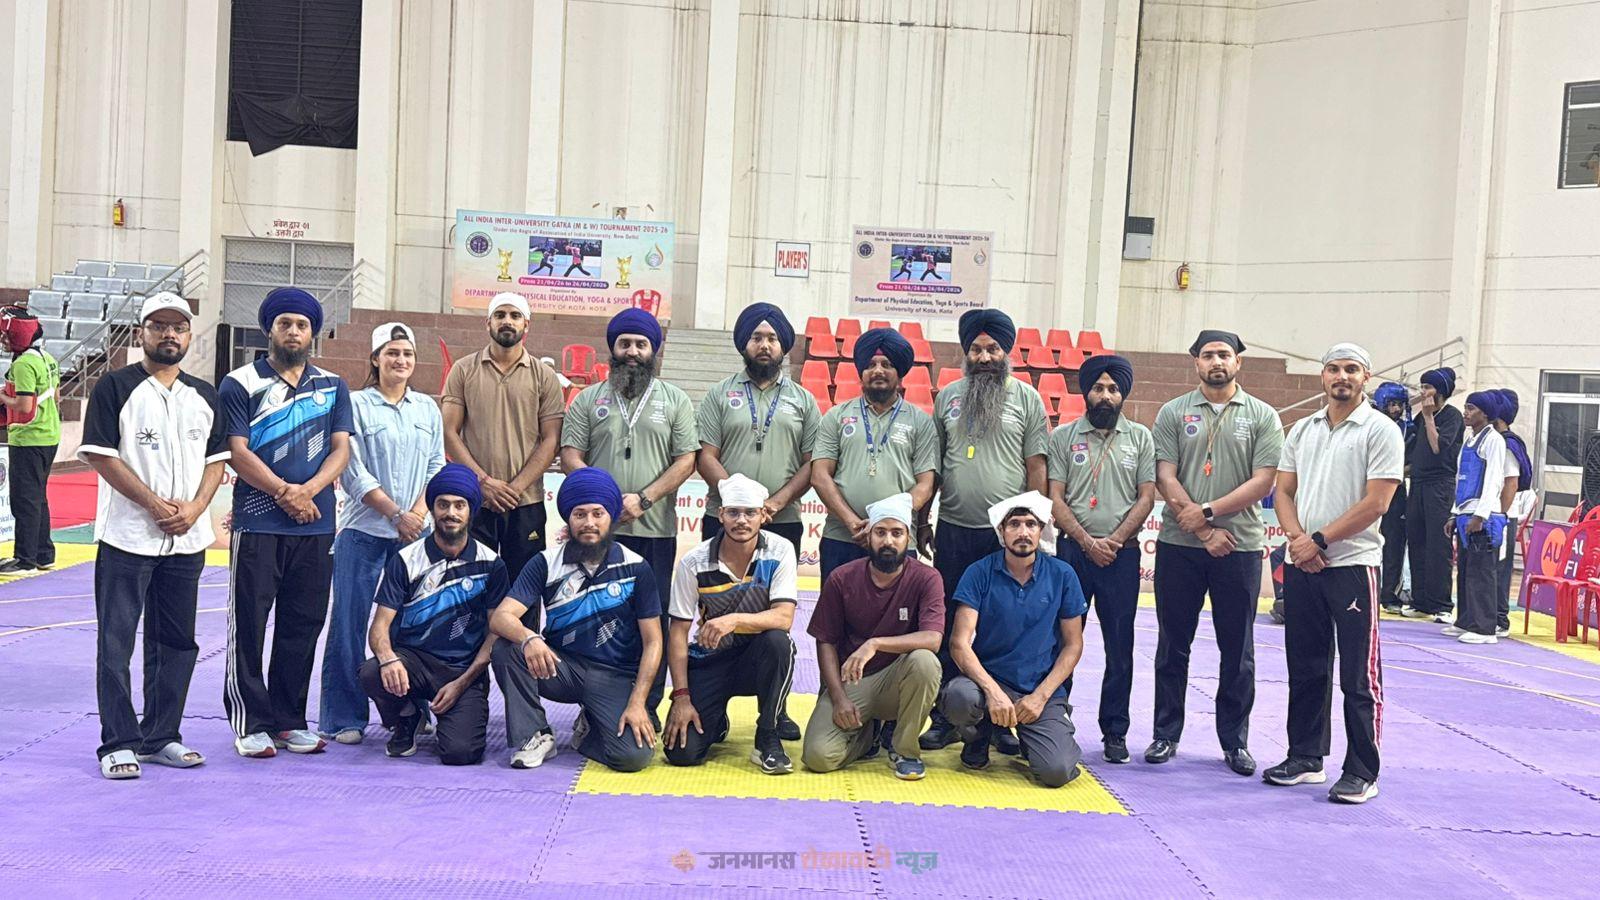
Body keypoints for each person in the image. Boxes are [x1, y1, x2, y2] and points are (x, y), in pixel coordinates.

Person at [77, 293, 228, 779]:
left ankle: (161, 735)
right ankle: (118, 741)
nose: (169, 334)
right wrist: (154, 505)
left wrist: (196, 508)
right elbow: (101, 454)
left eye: (177, 327)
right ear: (142, 332)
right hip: (128, 538)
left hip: (186, 540)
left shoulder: (203, 394)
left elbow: (216, 461)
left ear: (189, 335)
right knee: (116, 641)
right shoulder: (116, 387)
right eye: (159, 326)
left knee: (177, 643)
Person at [1265, 343, 1402, 805]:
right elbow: (1283, 491)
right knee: (1305, 667)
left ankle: (1362, 770)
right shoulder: (1303, 429)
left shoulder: (1380, 430)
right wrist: (1297, 539)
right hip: (1303, 564)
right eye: (1333, 369)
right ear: (1322, 376)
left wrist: (1318, 541)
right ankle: (1305, 757)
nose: (1341, 376)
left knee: (1359, 676)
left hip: (1352, 565)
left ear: (1366, 377)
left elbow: (1377, 502)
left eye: (1351, 369)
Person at [219, 287, 353, 757]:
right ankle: (250, 722)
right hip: (258, 523)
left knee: (303, 624)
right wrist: (284, 492)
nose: (293, 332)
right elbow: (236, 451)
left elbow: (341, 449)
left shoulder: (333, 385)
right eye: (285, 324)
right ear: (269, 330)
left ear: (313, 332)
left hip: (316, 524)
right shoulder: (239, 383)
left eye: (302, 325)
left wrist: (308, 491)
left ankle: (289, 719)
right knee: (249, 625)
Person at [1148, 329, 1283, 776]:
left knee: (1238, 649)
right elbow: (1165, 475)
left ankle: (1235, 741)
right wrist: (1204, 529)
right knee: (1173, 644)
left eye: (1224, 354)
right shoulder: (1173, 412)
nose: (1216, 362)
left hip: (1239, 545)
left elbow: (1263, 481)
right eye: (1208, 355)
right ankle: (1165, 734)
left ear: (1238, 362)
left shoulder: (1262, 415)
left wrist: (1207, 512)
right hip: (1180, 544)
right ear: (1196, 363)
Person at [921, 308, 1048, 755]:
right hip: (954, 530)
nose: (984, 356)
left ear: (1006, 352)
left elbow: (1037, 468)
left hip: (1005, 539)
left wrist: (1035, 526)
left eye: (993, 348)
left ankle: (999, 721)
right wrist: (922, 520)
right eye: (976, 349)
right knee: (948, 624)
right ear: (966, 353)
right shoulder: (948, 397)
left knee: (999, 629)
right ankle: (945, 717)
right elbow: (933, 467)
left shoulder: (1028, 399)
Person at [561, 308, 698, 720]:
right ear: (613, 349)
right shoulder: (588, 399)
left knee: (650, 621)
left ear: (654, 351)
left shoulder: (675, 400)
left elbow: (686, 460)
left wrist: (645, 498)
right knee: (598, 617)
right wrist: (602, 501)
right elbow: (570, 455)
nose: (633, 351)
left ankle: (648, 705)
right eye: (625, 344)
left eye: (641, 344)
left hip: (654, 530)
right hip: (599, 533)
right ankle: (593, 708)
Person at [319, 323, 446, 745]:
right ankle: (343, 717)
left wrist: (417, 515)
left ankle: (411, 712)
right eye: (392, 352)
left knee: (413, 627)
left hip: (415, 538)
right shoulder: (354, 404)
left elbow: (436, 467)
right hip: (364, 532)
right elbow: (352, 471)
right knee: (349, 625)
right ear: (375, 358)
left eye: (407, 353)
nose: (400, 360)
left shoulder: (426, 408)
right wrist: (395, 514)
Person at [489, 467, 663, 772]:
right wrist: (530, 638)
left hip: (615, 675)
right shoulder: (545, 562)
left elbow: (653, 642)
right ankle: (536, 734)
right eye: (580, 514)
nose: (589, 523)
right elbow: (502, 617)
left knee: (632, 757)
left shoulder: (636, 567)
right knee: (507, 648)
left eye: (598, 513)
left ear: (611, 516)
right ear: (568, 518)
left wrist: (637, 702)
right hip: (561, 668)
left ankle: (589, 729)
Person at [1046, 354, 1155, 764]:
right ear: (1086, 393)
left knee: (1120, 646)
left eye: (1113, 389)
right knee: (1062, 641)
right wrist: (1086, 541)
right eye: (1098, 388)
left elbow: (1147, 497)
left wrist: (1114, 540)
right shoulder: (1063, 437)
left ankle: (1115, 731)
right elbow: (1055, 498)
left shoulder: (1141, 438)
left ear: (1123, 394)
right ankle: (1056, 723)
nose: (1105, 395)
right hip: (1072, 553)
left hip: (1121, 556)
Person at [938, 491, 1088, 787]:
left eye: (1031, 524)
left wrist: (1040, 696)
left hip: (1038, 688)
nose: (1023, 532)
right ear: (1001, 531)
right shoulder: (979, 572)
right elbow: (959, 643)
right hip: (988, 683)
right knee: (958, 697)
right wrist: (993, 693)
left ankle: (1036, 739)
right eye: (1014, 524)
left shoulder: (1063, 575)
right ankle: (977, 738)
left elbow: (1074, 645)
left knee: (1056, 772)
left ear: (1041, 530)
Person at [360, 464, 505, 765]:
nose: (450, 513)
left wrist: (462, 682)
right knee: (372, 672)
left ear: (471, 511)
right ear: (432, 509)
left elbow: (495, 634)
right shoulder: (405, 560)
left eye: (459, 505)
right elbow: (380, 626)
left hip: (462, 669)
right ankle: (407, 717)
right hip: (413, 661)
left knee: (460, 753)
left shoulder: (492, 564)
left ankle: (452, 718)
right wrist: (388, 660)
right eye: (443, 505)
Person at [663, 475, 800, 774]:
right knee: (681, 753)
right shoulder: (694, 562)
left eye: (750, 513)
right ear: (720, 514)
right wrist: (681, 697)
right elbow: (678, 633)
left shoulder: (780, 550)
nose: (742, 520)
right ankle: (715, 720)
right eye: (734, 513)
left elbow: (784, 617)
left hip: (757, 658)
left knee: (779, 642)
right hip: (711, 659)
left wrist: (733, 620)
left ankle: (767, 734)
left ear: (763, 516)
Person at [802, 493, 944, 780]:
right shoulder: (842, 578)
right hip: (853, 682)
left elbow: (933, 639)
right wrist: (839, 698)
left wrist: (875, 643)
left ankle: (905, 751)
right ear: (868, 537)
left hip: (899, 681)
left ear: (908, 538)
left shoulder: (927, 578)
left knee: (925, 662)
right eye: (880, 532)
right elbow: (825, 641)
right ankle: (866, 736)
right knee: (818, 757)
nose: (888, 541)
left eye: (897, 533)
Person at [442, 292, 565, 582]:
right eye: (499, 315)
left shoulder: (544, 376)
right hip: (475, 500)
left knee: (523, 589)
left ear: (526, 324)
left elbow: (552, 440)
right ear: (488, 323)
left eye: (514, 316)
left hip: (526, 502)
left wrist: (515, 488)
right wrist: (484, 482)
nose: (507, 321)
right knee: (469, 587)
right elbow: (448, 432)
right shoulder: (463, 370)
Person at [811, 328, 938, 581]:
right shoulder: (836, 416)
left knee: (897, 607)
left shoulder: (921, 422)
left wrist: (884, 521)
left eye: (887, 364)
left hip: (897, 540)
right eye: (870, 365)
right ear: (861, 372)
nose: (878, 370)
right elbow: (820, 475)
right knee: (837, 606)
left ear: (899, 373)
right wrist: (852, 522)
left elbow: (925, 484)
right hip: (842, 537)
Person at [696, 302, 818, 551]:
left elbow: (812, 463)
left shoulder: (804, 400)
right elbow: (706, 456)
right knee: (718, 578)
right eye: (756, 338)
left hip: (782, 519)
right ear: (744, 344)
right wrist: (738, 501)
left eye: (772, 338)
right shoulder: (719, 394)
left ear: (783, 346)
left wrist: (775, 503)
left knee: (776, 579)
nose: (764, 345)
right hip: (725, 517)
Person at [1444, 392, 1508, 645]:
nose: (1466, 412)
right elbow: (1460, 479)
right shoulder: (1469, 439)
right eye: (1466, 407)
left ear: (1485, 413)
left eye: (1471, 408)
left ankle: (1485, 629)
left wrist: (1481, 515)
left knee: (1482, 573)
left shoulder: (1494, 441)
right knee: (1466, 571)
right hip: (1464, 512)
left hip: (1483, 516)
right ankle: (1465, 620)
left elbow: (1493, 479)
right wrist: (1454, 513)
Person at [0, 307, 61, 573]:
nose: (2, 340)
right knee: (38, 497)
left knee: (24, 500)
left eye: (6, 336)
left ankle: (25, 559)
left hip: (29, 438)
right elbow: (56, 397)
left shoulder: (23, 364)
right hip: (49, 435)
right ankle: (43, 554)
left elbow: (24, 406)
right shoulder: (47, 358)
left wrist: (2, 397)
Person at [1400, 367, 1463, 621]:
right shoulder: (1419, 417)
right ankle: (1421, 601)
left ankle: (1442, 604)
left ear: (1440, 391)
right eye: (1422, 386)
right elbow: (1414, 454)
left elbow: (1438, 448)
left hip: (1439, 485)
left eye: (1428, 387)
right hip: (1417, 483)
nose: (1423, 391)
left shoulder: (1451, 416)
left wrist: (1428, 417)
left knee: (1438, 544)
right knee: (1416, 541)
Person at [1492, 389, 1535, 638]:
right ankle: (1484, 615)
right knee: (1488, 568)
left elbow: (1511, 483)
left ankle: (1500, 618)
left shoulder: (1508, 444)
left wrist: (1500, 514)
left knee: (1499, 568)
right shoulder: (1491, 439)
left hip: (1503, 515)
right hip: (1493, 513)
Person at [1372, 382, 1414, 612]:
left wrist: (1393, 472)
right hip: (1367, 488)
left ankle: (1389, 594)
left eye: (1400, 404)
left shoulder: (1409, 429)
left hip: (1395, 489)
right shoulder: (1369, 424)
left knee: (1394, 543)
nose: (1396, 409)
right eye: (1392, 404)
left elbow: (1414, 463)